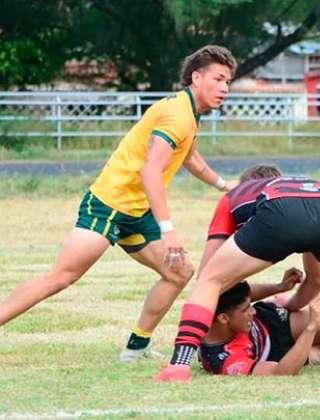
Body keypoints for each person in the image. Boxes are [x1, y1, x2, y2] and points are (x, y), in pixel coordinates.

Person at [0, 45, 237, 362]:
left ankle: (135, 348)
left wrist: (224, 186)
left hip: (136, 213)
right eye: (219, 79)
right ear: (196, 77)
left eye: (228, 82)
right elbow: (150, 170)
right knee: (60, 278)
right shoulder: (178, 116)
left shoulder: (190, 113)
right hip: (108, 206)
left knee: (179, 273)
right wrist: (168, 230)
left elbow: (189, 156)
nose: (225, 88)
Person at [154, 164, 320, 382]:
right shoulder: (299, 185)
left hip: (278, 209)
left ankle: (179, 365)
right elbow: (316, 281)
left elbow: (208, 274)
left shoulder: (234, 196)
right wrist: (291, 301)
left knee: (210, 280)